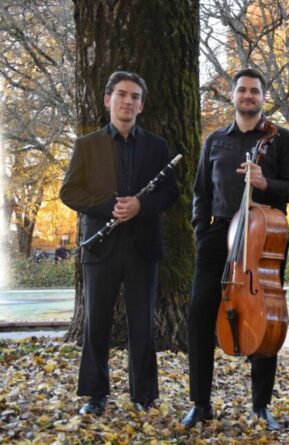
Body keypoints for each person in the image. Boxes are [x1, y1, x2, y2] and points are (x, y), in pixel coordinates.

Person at [181, 68, 289, 430]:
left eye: (255, 91)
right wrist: (202, 231)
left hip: (263, 241)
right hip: (218, 239)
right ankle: (201, 403)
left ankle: (261, 405)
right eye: (242, 91)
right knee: (199, 314)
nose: (248, 96)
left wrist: (266, 182)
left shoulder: (281, 140)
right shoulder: (215, 141)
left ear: (263, 97)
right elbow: (201, 192)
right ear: (232, 96)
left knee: (266, 319)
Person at [60, 71, 178, 415]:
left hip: (142, 245)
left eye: (135, 97)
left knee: (142, 324)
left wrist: (141, 206)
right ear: (107, 99)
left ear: (141, 105)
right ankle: (96, 396)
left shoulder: (156, 146)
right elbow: (69, 192)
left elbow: (171, 193)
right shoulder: (87, 145)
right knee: (97, 323)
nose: (128, 101)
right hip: (101, 245)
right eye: (122, 94)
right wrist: (109, 205)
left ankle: (144, 396)